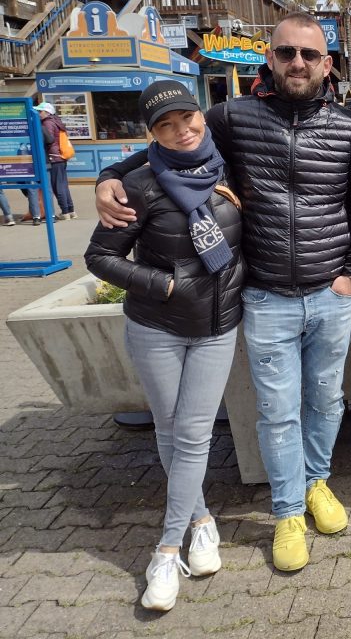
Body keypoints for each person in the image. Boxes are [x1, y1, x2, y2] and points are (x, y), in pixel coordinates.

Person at [95, 12, 351, 573]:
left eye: (309, 55)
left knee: (326, 401)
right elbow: (171, 144)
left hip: (329, 291)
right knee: (277, 410)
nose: (297, 63)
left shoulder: (349, 128)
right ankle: (289, 510)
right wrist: (108, 176)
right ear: (270, 58)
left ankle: (318, 483)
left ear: (327, 64)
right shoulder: (233, 117)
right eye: (286, 52)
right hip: (265, 295)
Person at [84, 81, 246, 610]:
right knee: (170, 427)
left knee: (193, 433)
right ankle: (195, 525)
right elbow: (100, 257)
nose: (182, 131)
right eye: (165, 126)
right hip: (156, 324)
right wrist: (166, 284)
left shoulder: (226, 162)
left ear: (201, 114)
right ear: (151, 133)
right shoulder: (140, 184)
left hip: (217, 324)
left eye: (188, 118)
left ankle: (166, 547)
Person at [34, 102, 76, 220]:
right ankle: (71, 210)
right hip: (60, 156)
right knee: (63, 184)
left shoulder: (47, 123)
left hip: (54, 156)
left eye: (40, 111)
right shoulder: (56, 121)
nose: (38, 113)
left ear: (47, 112)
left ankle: (65, 212)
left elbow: (49, 139)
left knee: (57, 186)